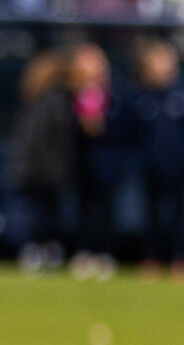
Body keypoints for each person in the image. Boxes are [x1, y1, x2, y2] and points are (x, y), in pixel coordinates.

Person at [126, 40, 184, 281]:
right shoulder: (140, 95)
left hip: (180, 165)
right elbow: (131, 132)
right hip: (150, 165)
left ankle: (180, 258)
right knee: (151, 214)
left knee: (180, 214)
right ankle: (151, 258)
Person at [11, 50, 73, 275]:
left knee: (44, 215)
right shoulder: (49, 100)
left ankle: (43, 251)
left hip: (37, 169)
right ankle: (39, 252)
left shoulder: (40, 99)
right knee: (38, 215)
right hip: (41, 170)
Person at [67, 43, 120, 282]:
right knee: (83, 208)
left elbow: (123, 125)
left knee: (105, 209)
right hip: (80, 159)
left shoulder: (114, 92)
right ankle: (83, 252)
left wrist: (102, 124)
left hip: (107, 161)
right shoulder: (69, 92)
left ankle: (103, 252)